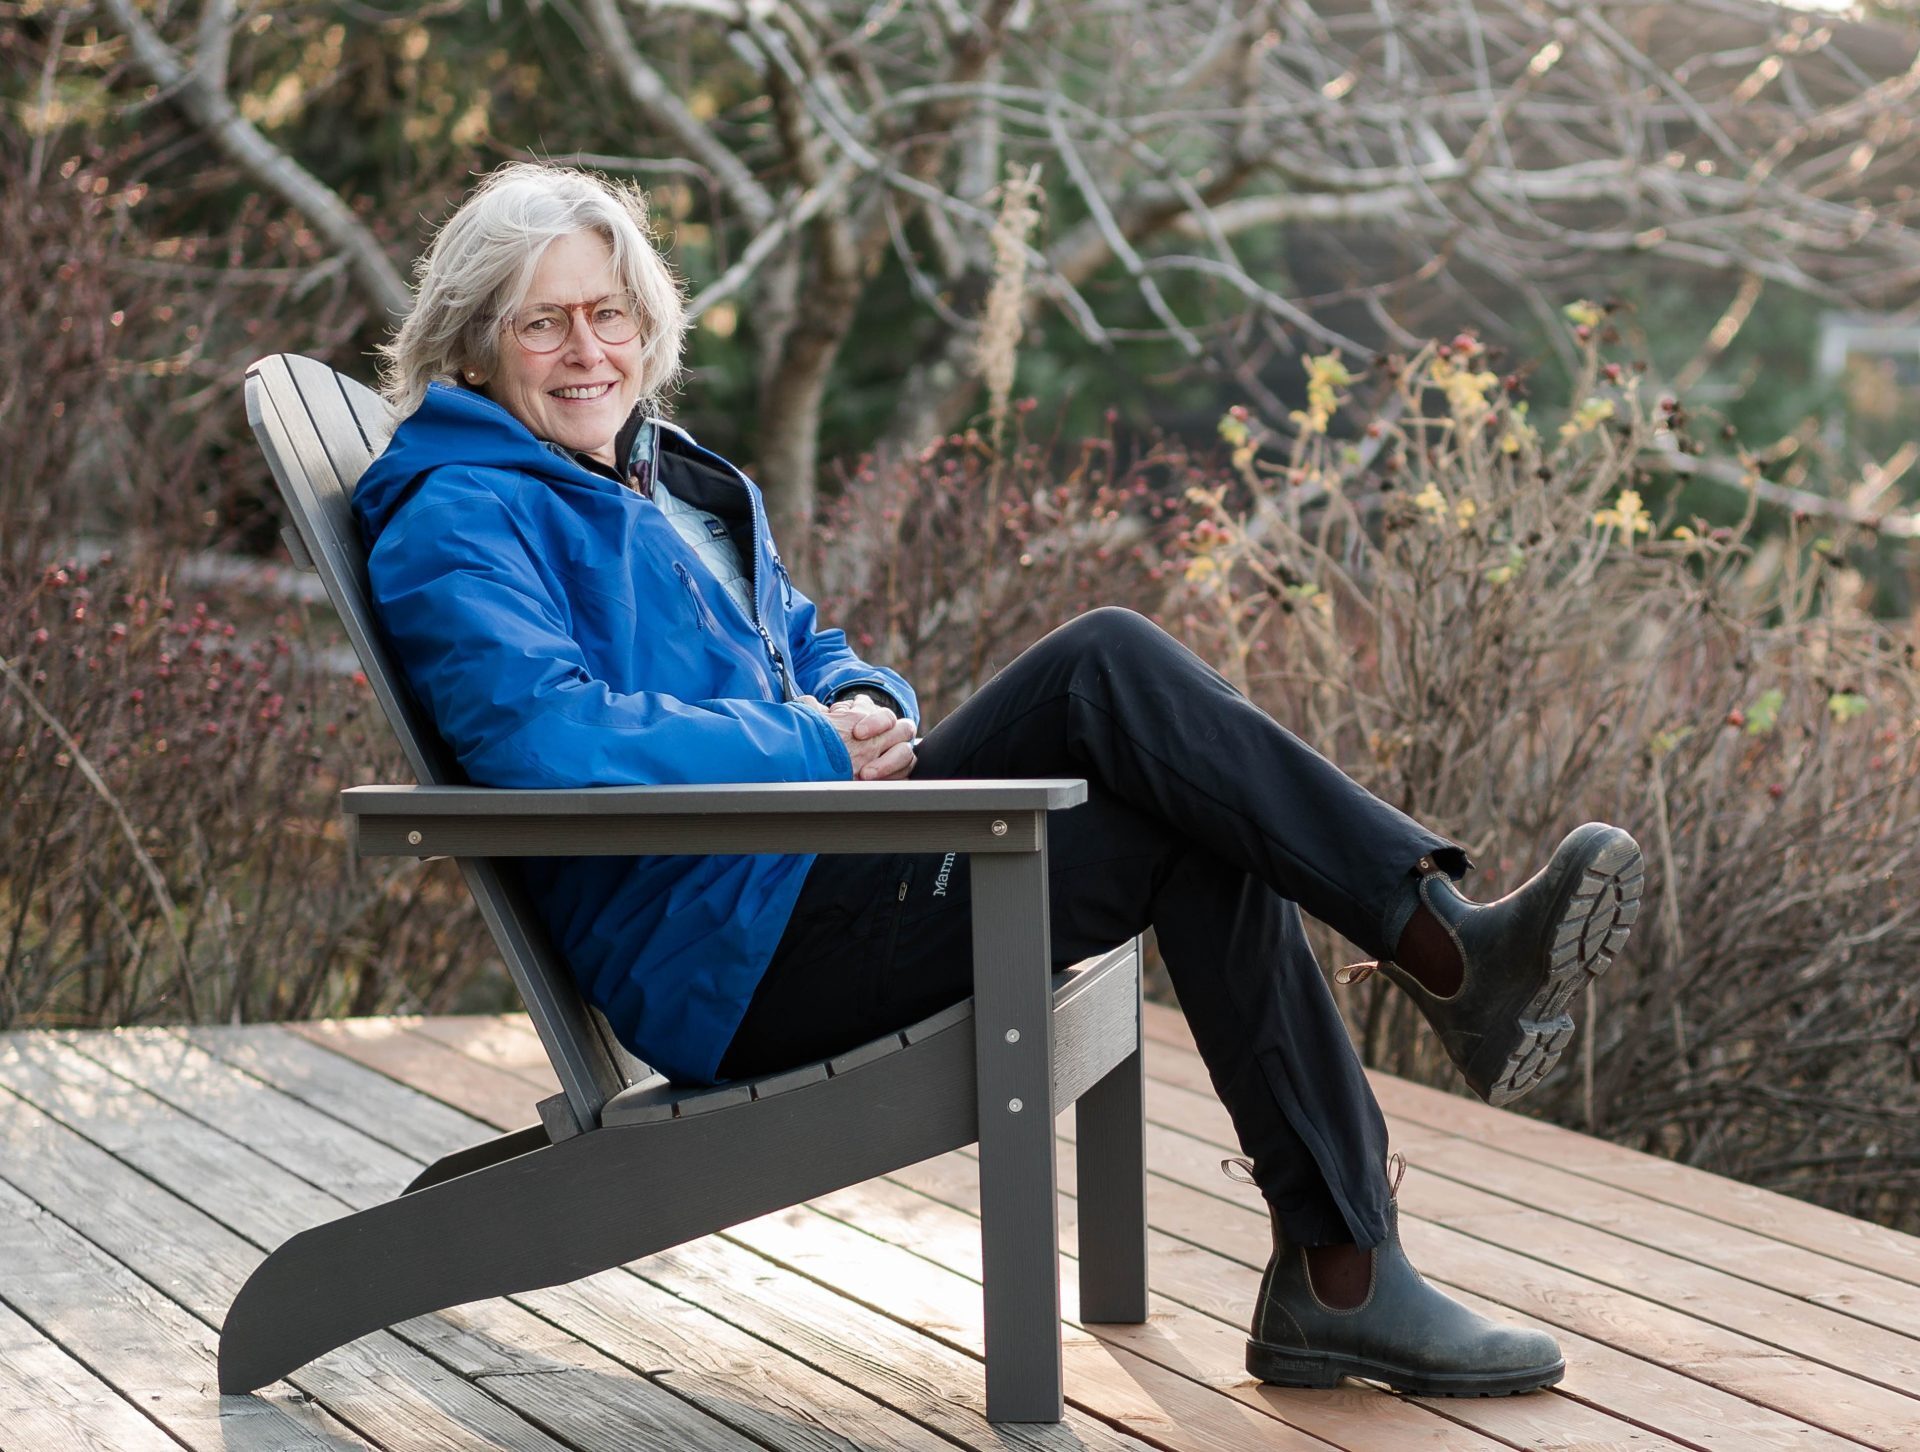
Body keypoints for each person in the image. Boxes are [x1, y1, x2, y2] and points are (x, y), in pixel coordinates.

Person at [355, 162, 1643, 1398]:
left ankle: (1359, 1233)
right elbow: (541, 743)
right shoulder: (459, 511)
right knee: (1124, 695)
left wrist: (864, 704)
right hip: (730, 950)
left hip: (808, 865)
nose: (591, 351)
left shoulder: (668, 471)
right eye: (546, 325)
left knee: (1155, 743)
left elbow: (807, 644)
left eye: (611, 314)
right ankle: (1423, 1017)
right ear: (475, 343)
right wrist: (810, 747)